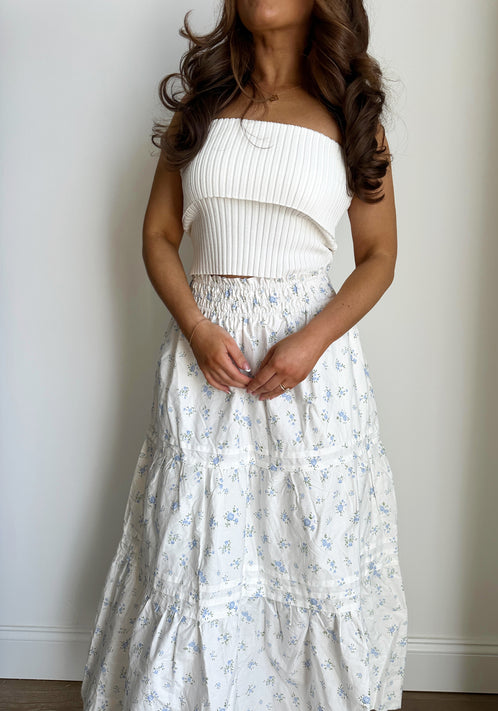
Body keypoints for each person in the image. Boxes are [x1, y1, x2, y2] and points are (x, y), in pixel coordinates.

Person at [81, 1, 408, 709]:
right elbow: (159, 235)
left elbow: (378, 256)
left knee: (309, 549)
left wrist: (311, 341)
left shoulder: (349, 115)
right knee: (194, 549)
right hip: (207, 360)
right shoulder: (199, 110)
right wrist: (197, 328)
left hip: (310, 371)